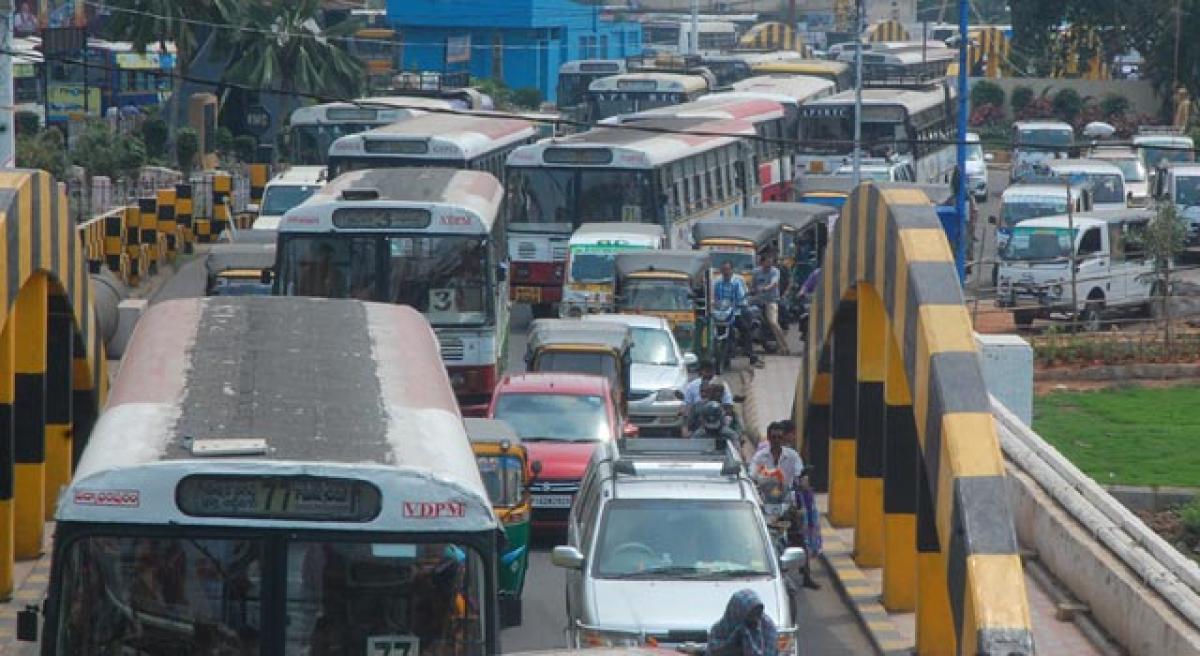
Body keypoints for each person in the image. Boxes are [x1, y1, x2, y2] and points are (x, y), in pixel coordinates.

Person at [713, 261, 761, 367]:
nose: (725, 272)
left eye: (727, 269)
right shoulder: (717, 283)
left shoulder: (736, 283)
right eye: (724, 269)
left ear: (731, 270)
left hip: (734, 313)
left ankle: (751, 355)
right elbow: (714, 298)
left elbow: (741, 297)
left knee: (745, 330)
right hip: (720, 314)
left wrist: (741, 303)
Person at [706, 589, 778, 656]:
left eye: (758, 613)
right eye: (750, 613)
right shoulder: (719, 629)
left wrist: (748, 641)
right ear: (738, 611)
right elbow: (713, 651)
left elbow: (769, 652)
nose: (755, 618)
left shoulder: (767, 627)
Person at [752, 253, 790, 355]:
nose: (769, 264)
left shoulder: (775, 271)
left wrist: (766, 288)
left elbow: (774, 283)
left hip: (771, 301)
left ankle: (784, 346)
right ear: (762, 262)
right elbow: (753, 286)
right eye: (767, 262)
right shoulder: (756, 272)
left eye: (771, 262)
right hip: (758, 300)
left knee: (773, 322)